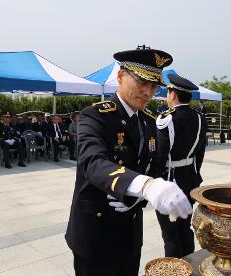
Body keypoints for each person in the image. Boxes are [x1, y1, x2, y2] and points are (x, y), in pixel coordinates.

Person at [65, 46, 192, 276]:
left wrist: (138, 198)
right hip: (96, 234)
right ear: (121, 76)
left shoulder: (149, 120)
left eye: (153, 86)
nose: (147, 91)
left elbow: (155, 163)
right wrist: (145, 186)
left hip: (131, 233)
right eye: (142, 82)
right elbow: (93, 163)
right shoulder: (94, 116)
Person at [154, 74, 207, 258]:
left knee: (170, 233)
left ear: (173, 94)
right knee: (185, 227)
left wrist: (155, 182)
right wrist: (195, 172)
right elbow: (200, 152)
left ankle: (174, 269)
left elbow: (160, 156)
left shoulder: (166, 119)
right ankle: (188, 265)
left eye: (168, 92)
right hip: (190, 178)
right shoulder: (199, 118)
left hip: (170, 179)